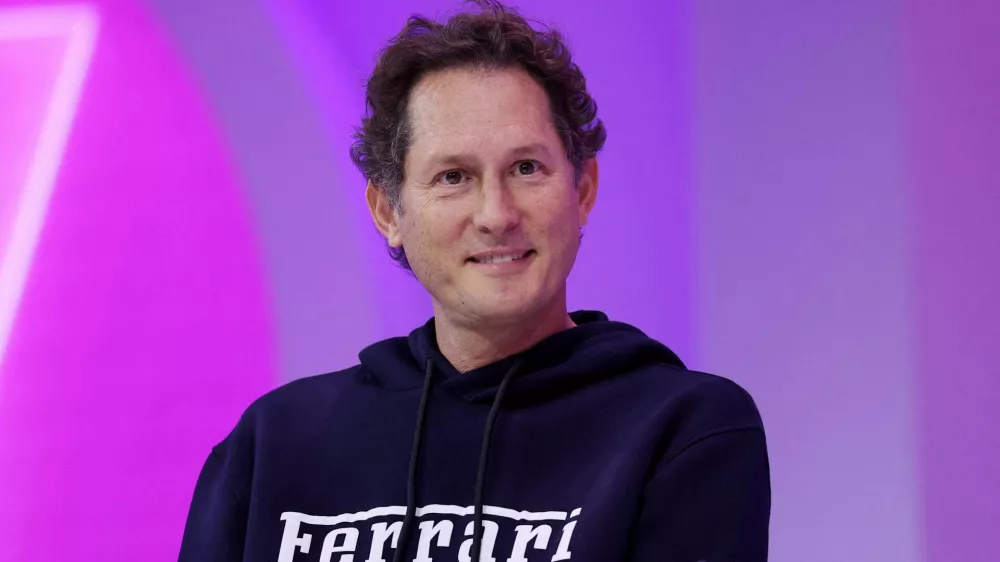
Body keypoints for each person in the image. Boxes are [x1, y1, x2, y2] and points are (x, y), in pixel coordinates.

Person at [178, 1, 770, 560]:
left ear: (583, 189)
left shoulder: (684, 428)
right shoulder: (274, 445)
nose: (496, 215)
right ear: (388, 211)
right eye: (454, 176)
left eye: (526, 168)